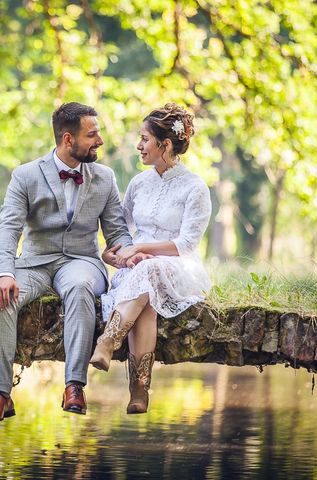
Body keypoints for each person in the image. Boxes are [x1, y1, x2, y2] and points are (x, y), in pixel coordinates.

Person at [0, 102, 133, 423]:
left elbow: (117, 233)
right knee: (2, 299)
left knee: (79, 287)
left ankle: (74, 385)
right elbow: (9, 229)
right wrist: (4, 273)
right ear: (67, 139)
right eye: (92, 134)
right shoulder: (25, 175)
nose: (100, 140)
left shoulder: (104, 177)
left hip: (82, 262)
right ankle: (0, 393)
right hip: (34, 264)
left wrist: (130, 258)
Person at [89, 103, 212, 414]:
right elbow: (123, 232)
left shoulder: (195, 187)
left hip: (178, 268)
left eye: (145, 139)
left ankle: (108, 341)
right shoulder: (138, 184)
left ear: (165, 145)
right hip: (138, 272)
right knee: (146, 301)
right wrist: (115, 252)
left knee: (152, 268)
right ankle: (139, 388)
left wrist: (143, 251)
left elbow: (185, 244)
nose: (139, 145)